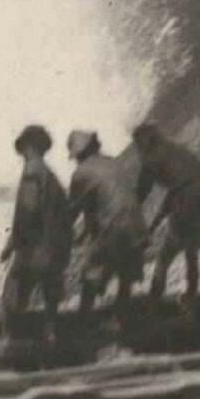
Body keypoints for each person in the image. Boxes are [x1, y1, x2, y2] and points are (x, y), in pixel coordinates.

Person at [132, 123, 200, 306]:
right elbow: (182, 185)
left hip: (188, 203)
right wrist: (157, 221)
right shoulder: (176, 150)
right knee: (191, 252)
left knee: (165, 255)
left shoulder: (151, 158)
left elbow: (141, 192)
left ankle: (154, 298)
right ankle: (192, 295)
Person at [0, 125, 72, 341]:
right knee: (50, 296)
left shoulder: (31, 170)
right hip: (53, 246)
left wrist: (12, 244)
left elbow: (27, 210)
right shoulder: (49, 174)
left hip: (33, 248)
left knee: (13, 292)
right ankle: (50, 336)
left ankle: (9, 340)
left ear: (29, 147)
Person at [66, 130, 148, 316]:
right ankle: (121, 319)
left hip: (114, 229)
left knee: (90, 272)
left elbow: (72, 211)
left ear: (78, 155)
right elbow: (106, 202)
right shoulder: (113, 162)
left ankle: (84, 319)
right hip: (137, 226)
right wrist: (85, 233)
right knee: (125, 273)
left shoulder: (80, 173)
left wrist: (62, 235)